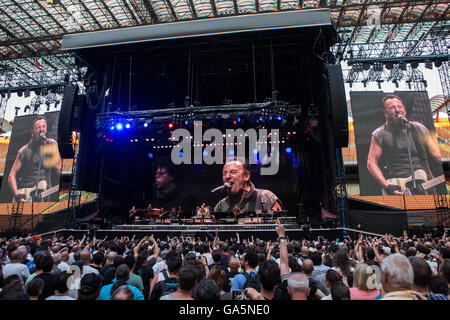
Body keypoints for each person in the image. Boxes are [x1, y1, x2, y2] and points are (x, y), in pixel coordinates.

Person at [367, 94, 442, 195]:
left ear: (405, 110)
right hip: (395, 182)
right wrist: (387, 186)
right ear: (385, 113)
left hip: (421, 178)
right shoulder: (379, 133)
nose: (397, 110)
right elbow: (371, 163)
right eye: (392, 108)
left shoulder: (418, 128)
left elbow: (436, 155)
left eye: (399, 106)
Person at [8, 115, 61, 202]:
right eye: (38, 127)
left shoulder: (51, 144)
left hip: (45, 192)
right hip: (25, 193)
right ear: (32, 132)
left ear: (46, 129)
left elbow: (58, 168)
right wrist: (17, 195)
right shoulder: (24, 151)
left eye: (43, 126)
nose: (41, 129)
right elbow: (11, 176)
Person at [214, 158, 282, 216]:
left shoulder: (265, 197)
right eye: (224, 173)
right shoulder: (220, 206)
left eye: (233, 172)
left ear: (246, 176)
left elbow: (279, 225)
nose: (227, 176)